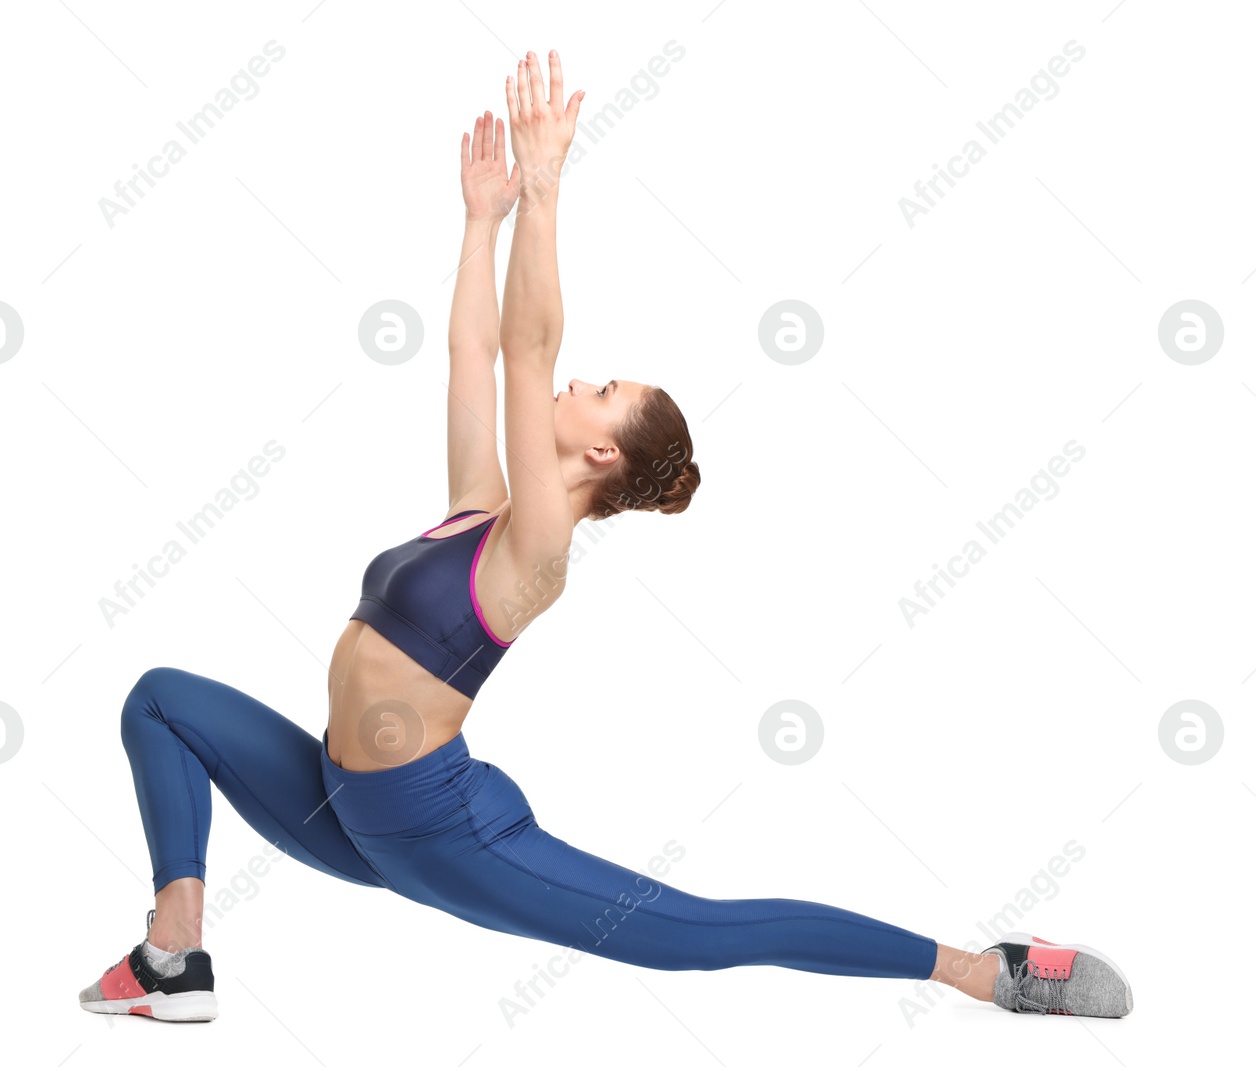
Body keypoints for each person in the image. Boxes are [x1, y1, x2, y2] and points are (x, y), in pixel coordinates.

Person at [78, 50, 1131, 1025]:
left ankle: (987, 969)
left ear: (601, 460)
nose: (579, 382)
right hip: (345, 806)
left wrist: (545, 189)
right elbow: (474, 352)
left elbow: (529, 347)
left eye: (603, 390)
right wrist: (480, 220)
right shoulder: (479, 506)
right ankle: (174, 955)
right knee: (162, 698)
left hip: (444, 833)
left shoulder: (536, 553)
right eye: (594, 374)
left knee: (709, 933)